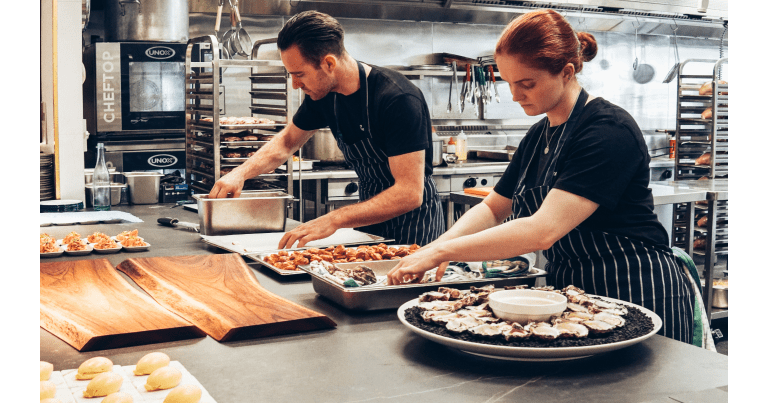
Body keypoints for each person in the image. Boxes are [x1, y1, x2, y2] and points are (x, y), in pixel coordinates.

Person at [387, 9, 694, 343]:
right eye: (509, 84)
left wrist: (441, 253)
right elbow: (492, 208)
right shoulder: (538, 136)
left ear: (566, 72)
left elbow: (542, 230)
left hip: (636, 287)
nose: (516, 96)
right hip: (574, 296)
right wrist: (436, 246)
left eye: (527, 84)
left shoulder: (607, 130)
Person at [208, 11, 444, 248]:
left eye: (299, 74)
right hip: (368, 223)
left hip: (414, 229)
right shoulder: (324, 95)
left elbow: (409, 193)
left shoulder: (397, 99)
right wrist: (240, 173)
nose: (295, 84)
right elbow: (287, 142)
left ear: (329, 63)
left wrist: (334, 219)